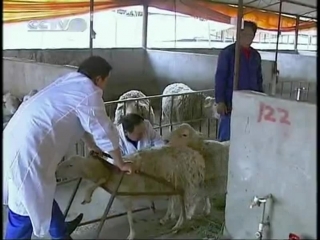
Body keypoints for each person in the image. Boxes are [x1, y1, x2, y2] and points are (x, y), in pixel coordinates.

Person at [3, 56, 134, 240]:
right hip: (28, 153)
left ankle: (60, 232)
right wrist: (120, 163)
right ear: (98, 79)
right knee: (24, 208)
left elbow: (81, 122)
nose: (104, 87)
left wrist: (91, 146)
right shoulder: (89, 92)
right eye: (106, 81)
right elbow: (104, 131)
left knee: (41, 194)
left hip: (15, 139)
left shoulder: (69, 82)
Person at [215, 21, 264, 142]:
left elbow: (259, 79)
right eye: (245, 34)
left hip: (250, 101)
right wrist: (220, 101)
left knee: (246, 136)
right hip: (230, 102)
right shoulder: (228, 53)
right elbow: (220, 77)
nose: (248, 38)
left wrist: (261, 99)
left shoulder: (256, 55)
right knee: (227, 137)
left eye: (250, 35)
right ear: (238, 34)